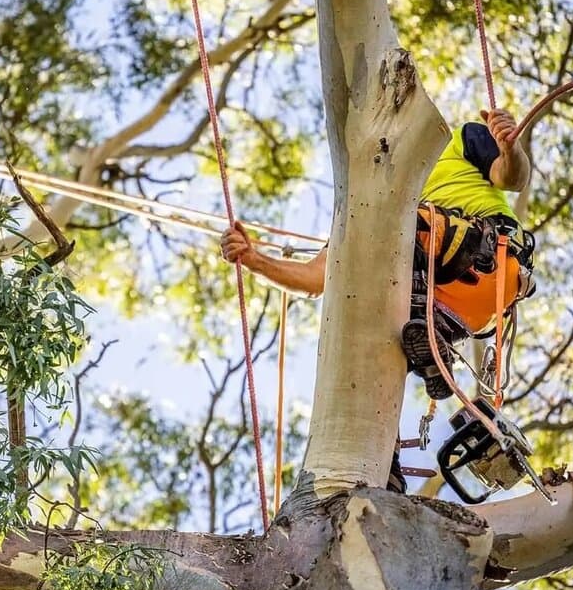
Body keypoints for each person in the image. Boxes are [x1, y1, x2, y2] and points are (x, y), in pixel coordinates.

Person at [220, 108, 536, 402]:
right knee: (366, 326)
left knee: (399, 223)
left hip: (489, 259)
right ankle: (425, 356)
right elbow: (318, 279)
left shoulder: (458, 141)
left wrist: (509, 149)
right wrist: (254, 260)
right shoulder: (367, 208)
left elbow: (512, 178)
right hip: (459, 311)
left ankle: (429, 332)